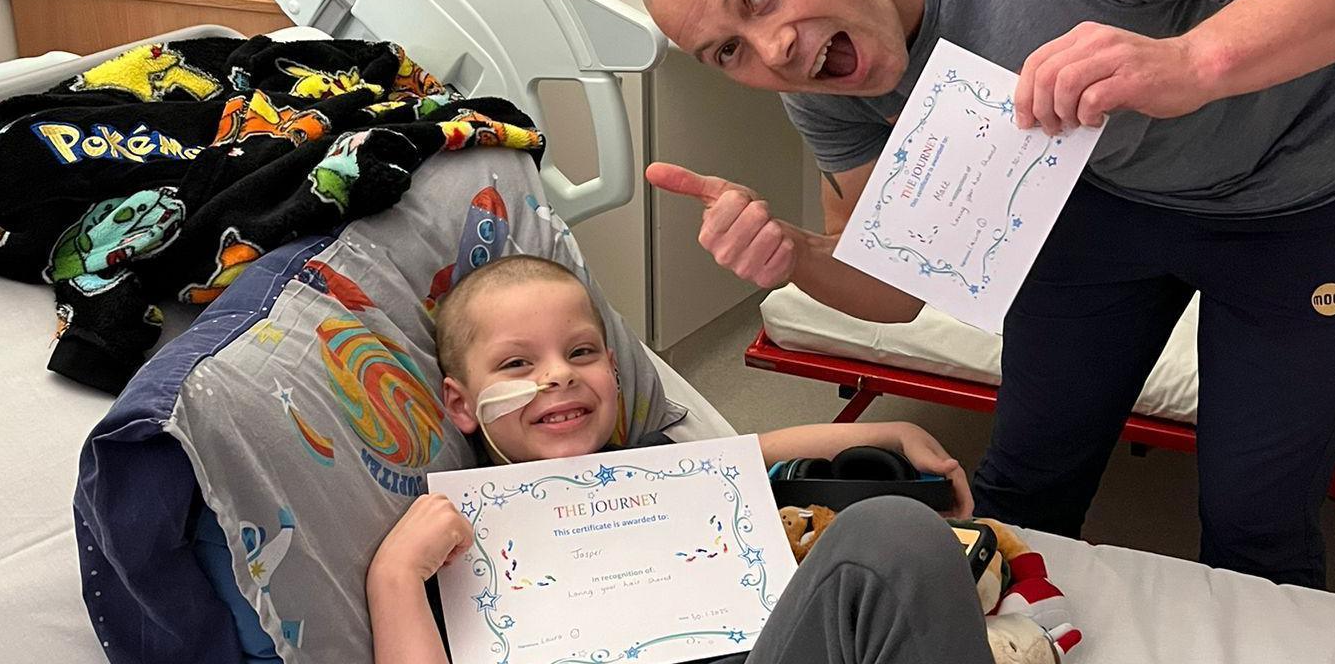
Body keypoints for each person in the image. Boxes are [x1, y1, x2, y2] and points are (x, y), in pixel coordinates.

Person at [635, 0, 1335, 589]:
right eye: (727, 52)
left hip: (1313, 179)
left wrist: (1195, 62)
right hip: (1103, 191)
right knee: (1025, 480)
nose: (771, 49)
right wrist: (797, 253)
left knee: (1257, 516)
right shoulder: (819, 81)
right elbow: (898, 292)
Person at [365, 255, 1001, 664]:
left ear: (614, 373)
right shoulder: (453, 541)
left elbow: (753, 455)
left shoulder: (654, 469)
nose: (557, 376)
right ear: (462, 403)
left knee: (898, 532)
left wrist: (892, 432)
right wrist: (393, 576)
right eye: (516, 364)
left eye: (582, 352)